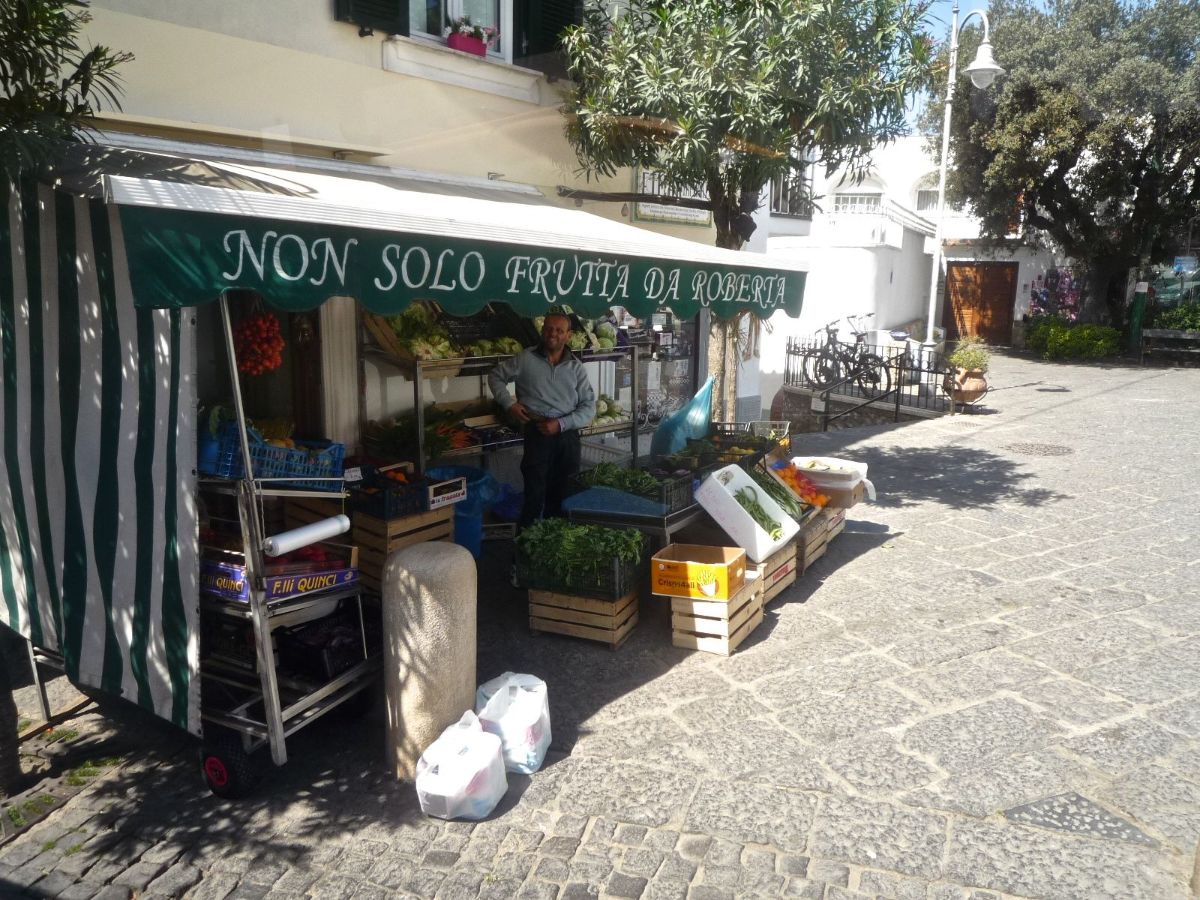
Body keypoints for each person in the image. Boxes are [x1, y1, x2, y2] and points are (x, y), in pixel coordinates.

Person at [487, 312, 595, 530]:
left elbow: (589, 408)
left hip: (567, 437)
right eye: (549, 329)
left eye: (559, 330)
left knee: (563, 496)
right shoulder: (526, 359)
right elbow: (495, 376)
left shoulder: (576, 368)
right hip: (537, 433)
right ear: (542, 330)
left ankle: (555, 548)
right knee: (534, 496)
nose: (552, 334)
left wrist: (561, 424)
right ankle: (525, 552)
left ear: (568, 335)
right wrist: (510, 404)